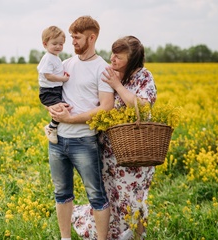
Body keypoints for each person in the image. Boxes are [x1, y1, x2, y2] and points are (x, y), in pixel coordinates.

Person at [72, 36, 157, 240]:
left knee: (135, 198)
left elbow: (143, 109)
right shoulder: (110, 73)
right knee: (111, 196)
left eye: (119, 56)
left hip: (135, 152)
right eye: (112, 54)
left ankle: (138, 236)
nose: (113, 59)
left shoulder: (143, 76)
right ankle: (115, 235)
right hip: (109, 152)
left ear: (132, 58)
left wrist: (118, 86)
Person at [47, 16, 114, 240]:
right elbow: (51, 93)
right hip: (57, 142)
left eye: (77, 38)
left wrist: (69, 119)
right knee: (61, 194)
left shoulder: (102, 69)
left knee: (96, 195)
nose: (72, 42)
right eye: (72, 37)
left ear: (92, 37)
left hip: (84, 141)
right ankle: (65, 238)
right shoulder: (65, 64)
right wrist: (52, 109)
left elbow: (105, 108)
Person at [37, 26, 69, 144]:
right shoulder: (48, 58)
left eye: (61, 44)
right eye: (54, 44)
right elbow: (48, 75)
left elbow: (55, 72)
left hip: (55, 89)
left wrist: (62, 74)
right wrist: (63, 78)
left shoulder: (55, 58)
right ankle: (51, 127)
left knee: (63, 107)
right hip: (48, 91)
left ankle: (53, 126)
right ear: (45, 44)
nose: (58, 47)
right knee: (62, 108)